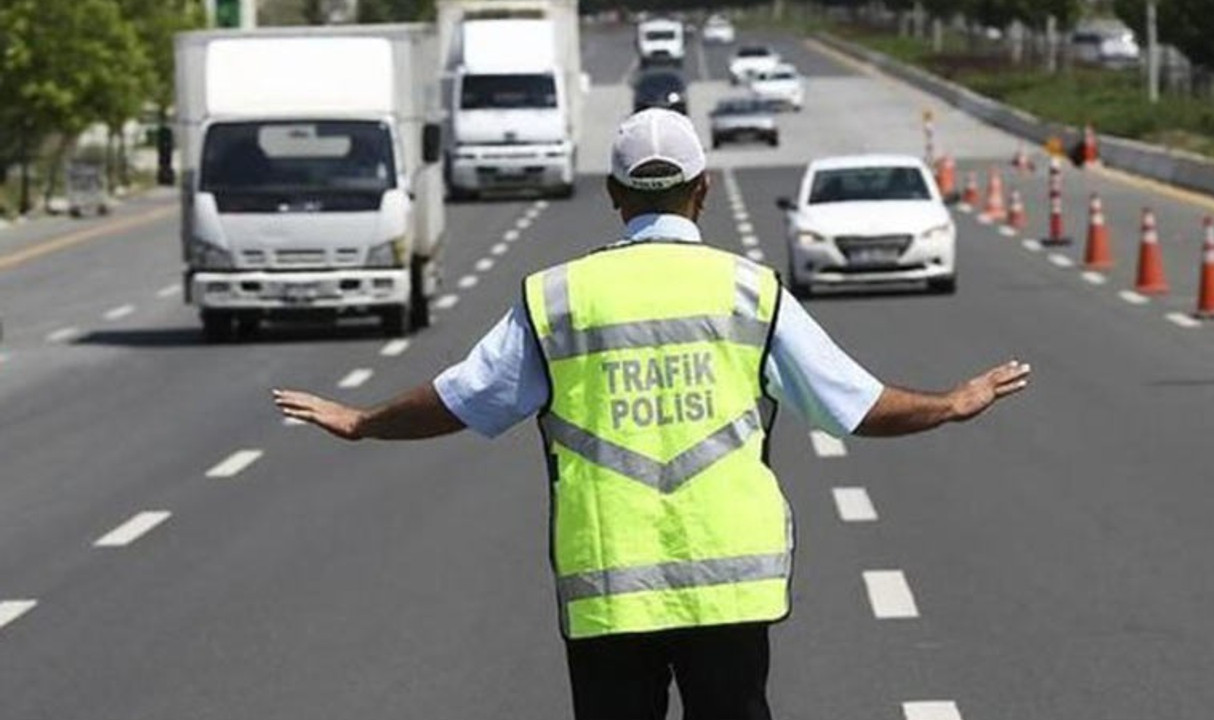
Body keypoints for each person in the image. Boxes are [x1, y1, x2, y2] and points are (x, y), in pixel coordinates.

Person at [273, 108, 1031, 720]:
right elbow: (855, 405)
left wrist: (363, 420)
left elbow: (462, 398)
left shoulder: (559, 298)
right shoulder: (748, 291)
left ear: (613, 193)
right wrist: (951, 404)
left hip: (608, 587)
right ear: (701, 191)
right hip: (729, 586)